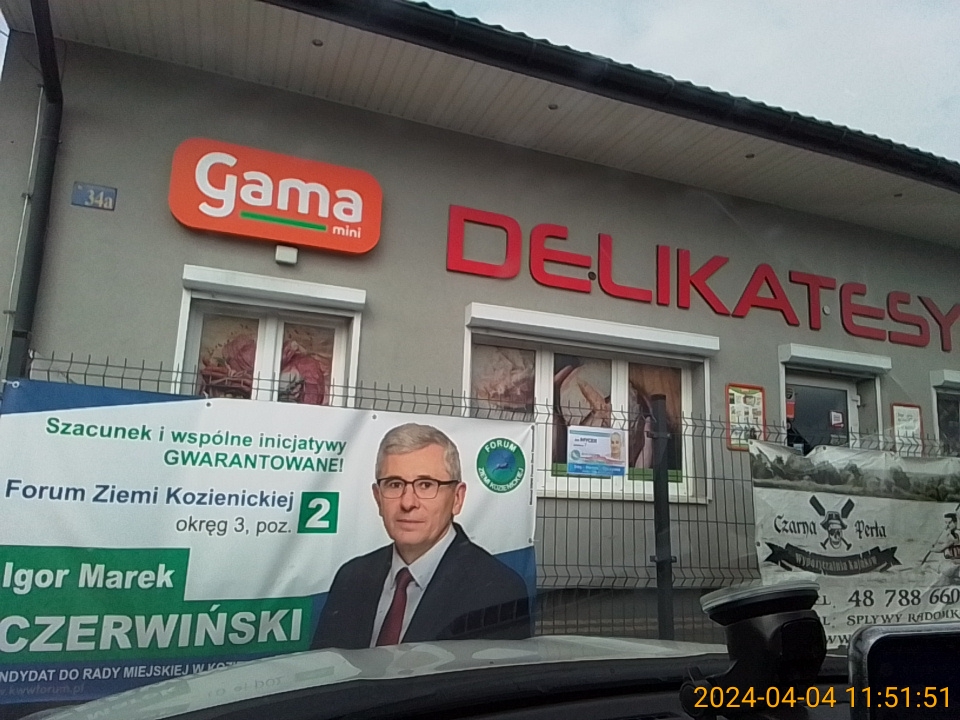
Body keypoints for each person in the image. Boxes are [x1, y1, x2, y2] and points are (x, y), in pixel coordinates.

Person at [311, 423, 531, 649]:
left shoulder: (498, 591)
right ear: (378, 498)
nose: (408, 502)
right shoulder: (351, 578)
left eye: (426, 485)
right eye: (395, 484)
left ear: (457, 498)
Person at [931, 512, 960, 586]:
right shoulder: (954, 533)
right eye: (946, 523)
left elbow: (941, 548)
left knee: (941, 582)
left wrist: (931, 549)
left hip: (955, 564)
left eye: (949, 523)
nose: (947, 525)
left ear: (955, 522)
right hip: (954, 563)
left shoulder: (954, 534)